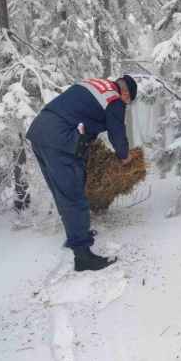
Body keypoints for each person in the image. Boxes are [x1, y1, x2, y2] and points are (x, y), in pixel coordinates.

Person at [26, 75, 137, 272]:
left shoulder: (95, 84)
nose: (125, 105)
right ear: (126, 93)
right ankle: (83, 256)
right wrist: (124, 155)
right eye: (128, 102)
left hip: (40, 132)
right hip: (61, 139)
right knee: (73, 194)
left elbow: (79, 111)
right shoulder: (114, 99)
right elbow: (117, 131)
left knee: (62, 191)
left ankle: (78, 234)